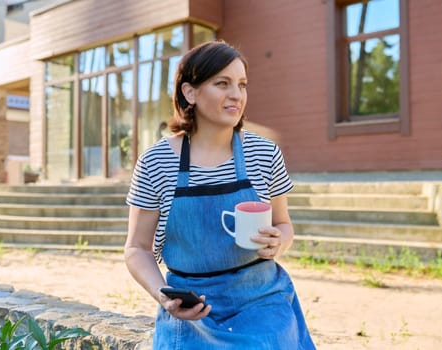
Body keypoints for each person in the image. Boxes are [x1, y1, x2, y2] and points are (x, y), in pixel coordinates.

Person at [125, 40, 316, 349]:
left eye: (242, 85)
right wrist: (163, 295)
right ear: (190, 92)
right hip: (191, 309)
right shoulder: (156, 161)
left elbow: (285, 225)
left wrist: (278, 241)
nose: (236, 95)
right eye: (222, 83)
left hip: (261, 302)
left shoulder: (265, 153)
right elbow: (137, 249)